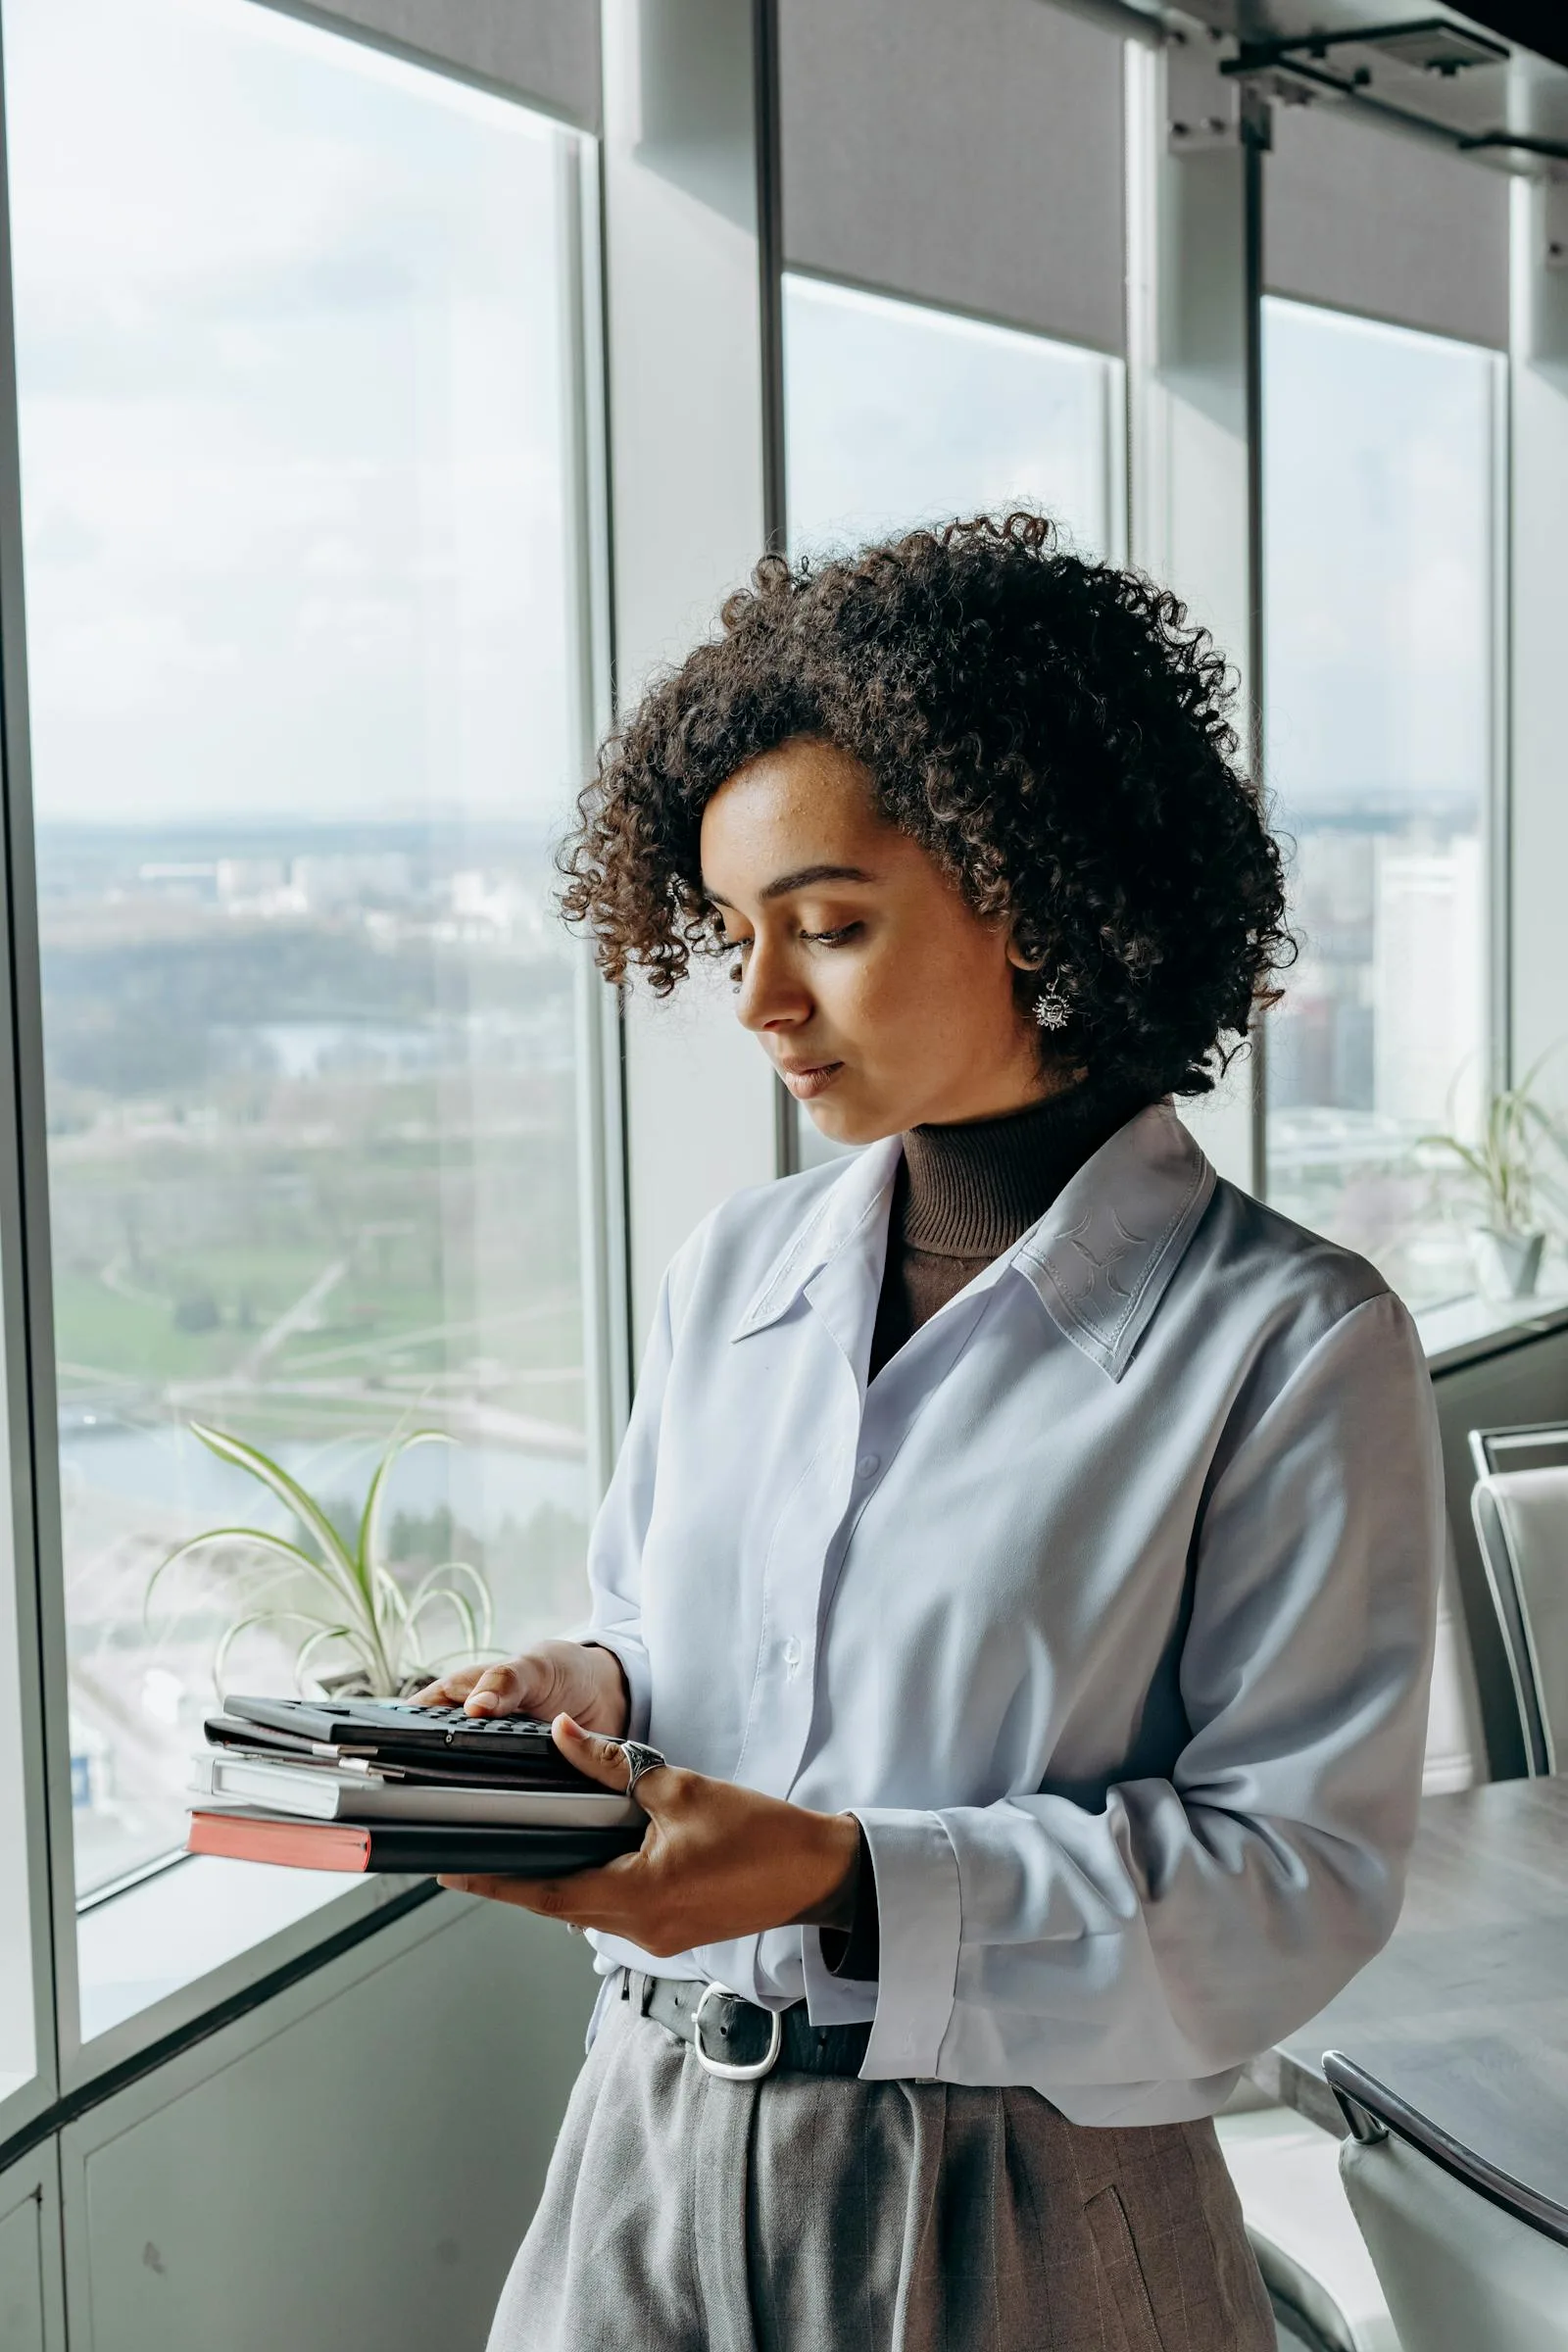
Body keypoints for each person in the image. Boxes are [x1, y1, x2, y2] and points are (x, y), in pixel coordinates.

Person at [417, 514, 1445, 2351]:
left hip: (1016, 2204)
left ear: (1036, 893)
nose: (761, 1000)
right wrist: (584, 1684)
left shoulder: (1292, 1344)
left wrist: (845, 1878)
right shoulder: (735, 1270)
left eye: (828, 926)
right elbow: (692, 1640)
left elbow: (1293, 1886)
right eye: (735, 933)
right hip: (641, 2152)